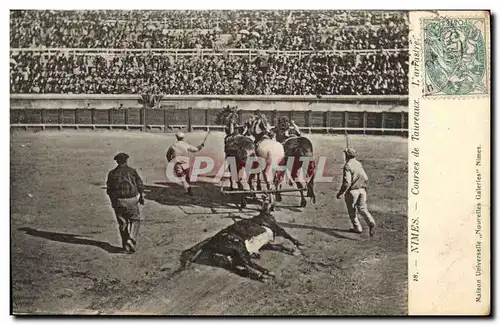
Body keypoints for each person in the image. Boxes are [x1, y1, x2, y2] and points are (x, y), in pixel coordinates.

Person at [106, 153, 145, 254]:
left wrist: (113, 202)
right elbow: (140, 185)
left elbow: (109, 190)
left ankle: (126, 247)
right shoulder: (132, 171)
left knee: (123, 223)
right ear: (126, 160)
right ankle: (131, 240)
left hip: (118, 200)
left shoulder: (112, 173)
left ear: (117, 162)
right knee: (135, 220)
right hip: (131, 199)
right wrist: (141, 197)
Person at [336, 148, 376, 237]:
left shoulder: (347, 165)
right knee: (362, 209)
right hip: (362, 190)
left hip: (352, 192)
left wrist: (340, 193)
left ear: (346, 155)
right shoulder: (358, 164)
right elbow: (365, 178)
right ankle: (371, 222)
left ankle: (357, 228)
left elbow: (347, 183)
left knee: (352, 211)